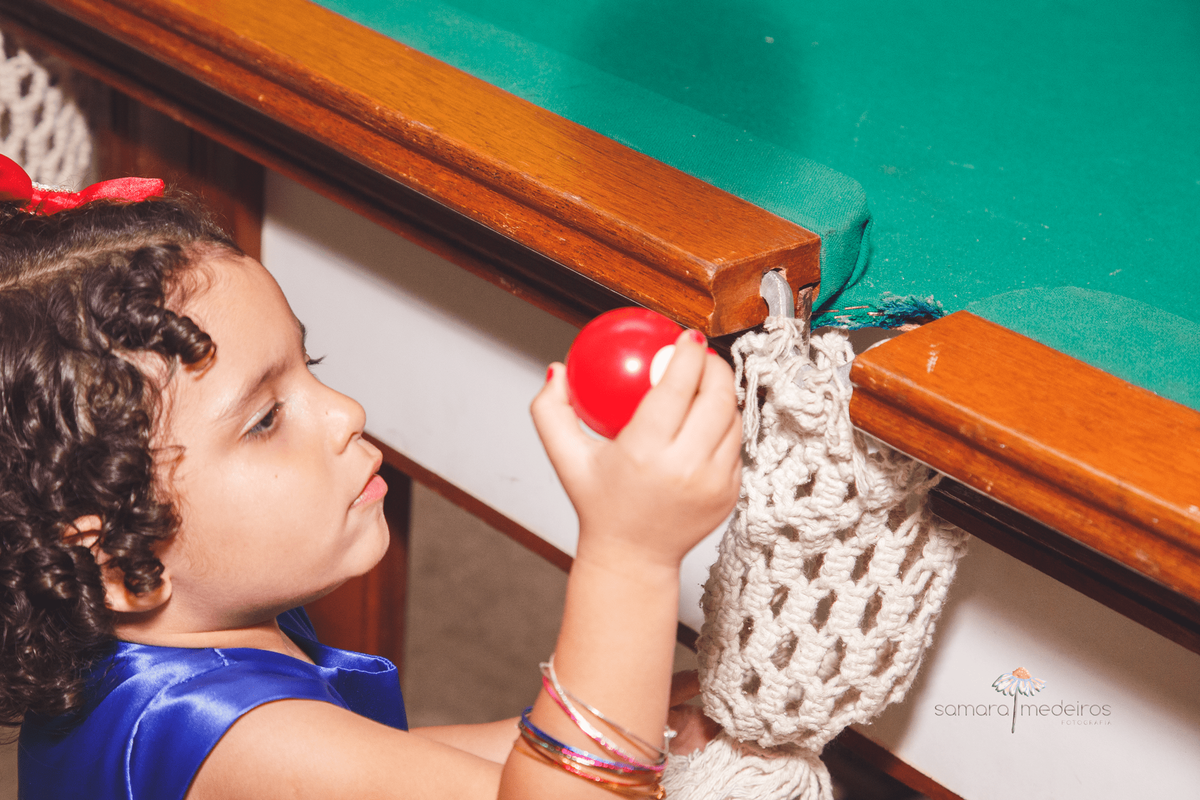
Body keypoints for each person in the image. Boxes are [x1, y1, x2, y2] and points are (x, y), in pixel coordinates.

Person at [0, 162, 741, 799]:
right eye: (263, 419)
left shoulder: (181, 622)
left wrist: (628, 712)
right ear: (118, 562)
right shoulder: (232, 739)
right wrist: (632, 558)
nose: (346, 412)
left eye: (308, 365)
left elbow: (384, 765)